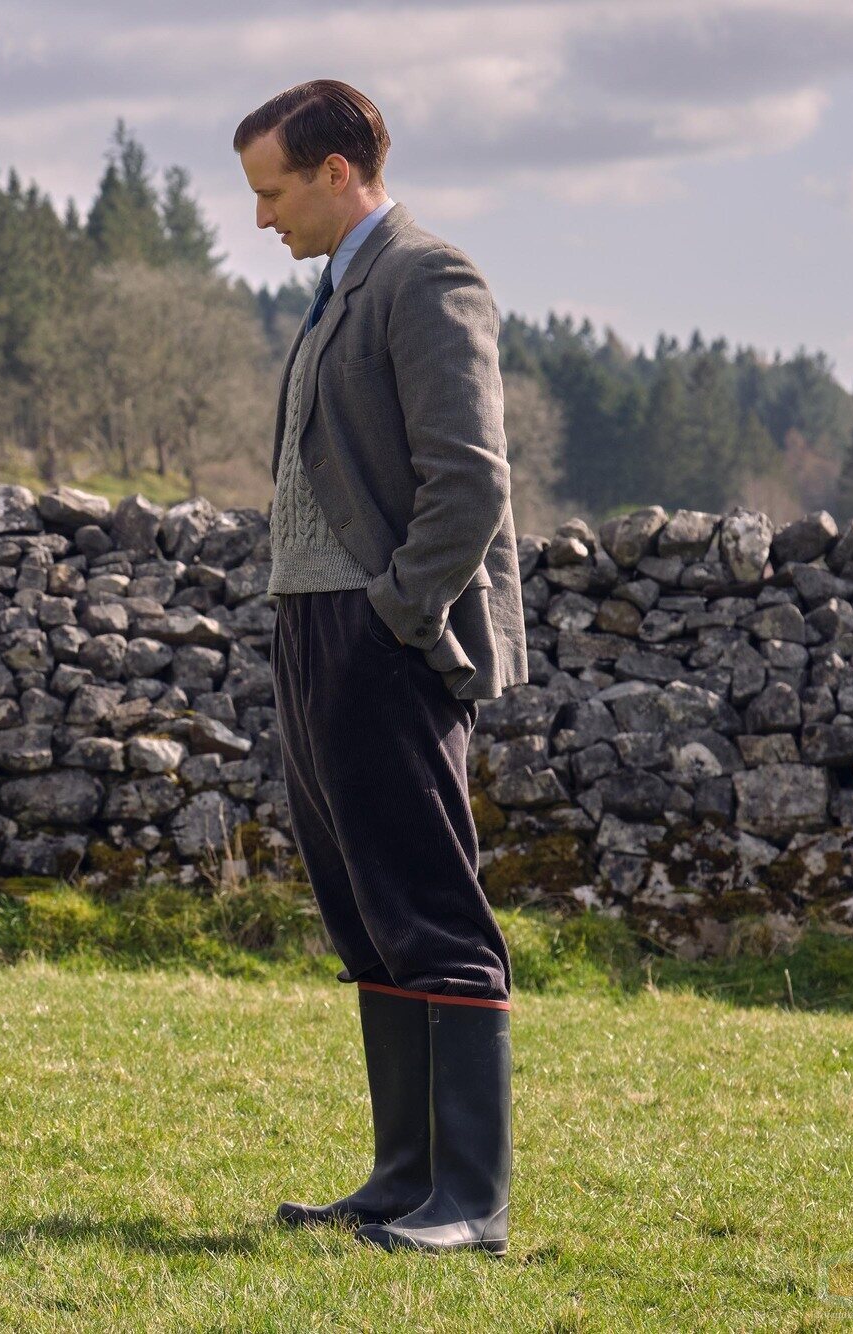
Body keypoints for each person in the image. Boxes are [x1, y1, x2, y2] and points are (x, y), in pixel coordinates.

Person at [234, 81, 528, 1254]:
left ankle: (470, 1200)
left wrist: (393, 614)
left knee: (431, 908)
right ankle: (404, 1179)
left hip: (381, 634)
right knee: (367, 910)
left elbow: (470, 482)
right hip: (313, 625)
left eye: (272, 191)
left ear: (336, 169)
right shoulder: (339, 288)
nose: (260, 217)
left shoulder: (425, 276)